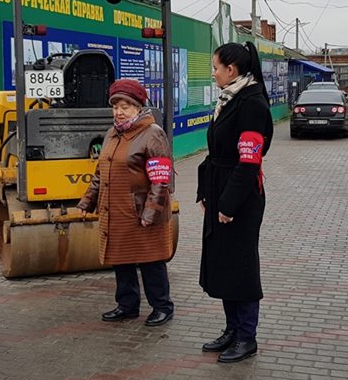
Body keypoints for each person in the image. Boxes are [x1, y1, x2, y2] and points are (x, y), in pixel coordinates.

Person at [196, 41, 273, 363]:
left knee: (240, 266)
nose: (213, 74)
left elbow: (248, 163)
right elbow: (215, 153)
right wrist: (205, 192)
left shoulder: (251, 104)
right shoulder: (229, 100)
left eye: (216, 68)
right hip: (221, 189)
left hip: (240, 197)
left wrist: (228, 205)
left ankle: (247, 336)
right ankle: (231, 329)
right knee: (223, 265)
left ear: (232, 69)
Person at [77, 78, 175, 327]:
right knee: (121, 259)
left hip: (142, 212)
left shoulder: (153, 134)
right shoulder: (113, 133)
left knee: (151, 260)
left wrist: (150, 212)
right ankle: (127, 305)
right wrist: (86, 202)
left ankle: (162, 306)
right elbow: (101, 173)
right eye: (115, 106)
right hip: (118, 210)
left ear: (139, 107)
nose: (119, 112)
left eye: (126, 107)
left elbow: (161, 180)